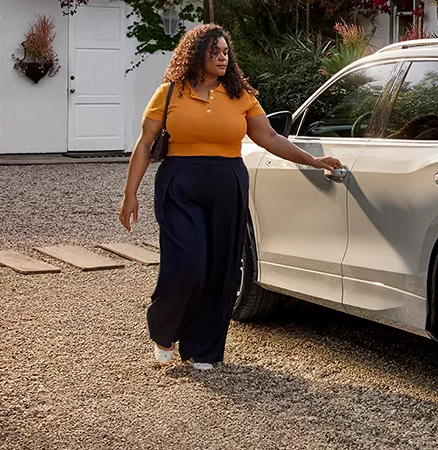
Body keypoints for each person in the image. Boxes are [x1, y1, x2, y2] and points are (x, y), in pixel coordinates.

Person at [118, 24, 342, 371]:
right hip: (181, 185)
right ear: (196, 55)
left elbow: (268, 137)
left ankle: (201, 348)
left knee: (221, 269)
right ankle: (165, 331)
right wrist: (129, 194)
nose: (223, 57)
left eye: (225, 52)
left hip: (228, 184)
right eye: (215, 52)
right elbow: (145, 144)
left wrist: (313, 161)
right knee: (187, 265)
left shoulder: (241, 96)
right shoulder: (169, 93)